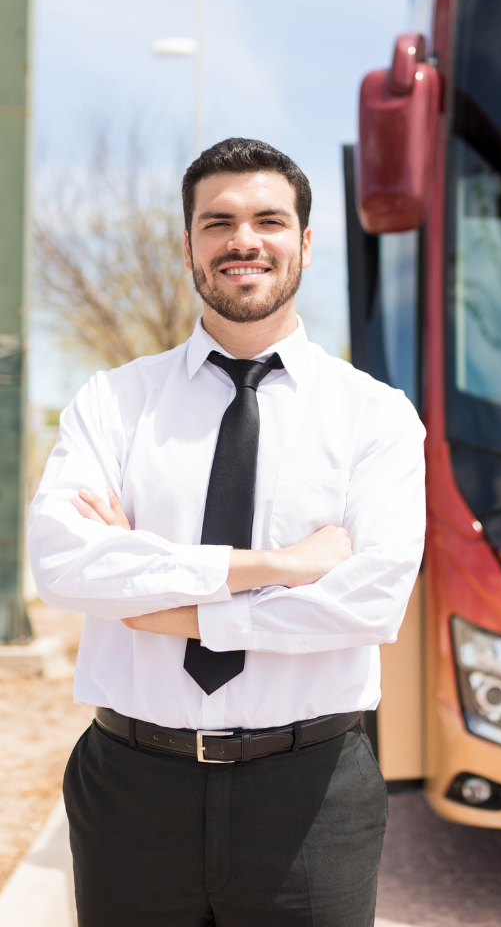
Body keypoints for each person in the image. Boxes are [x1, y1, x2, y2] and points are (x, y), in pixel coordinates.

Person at [28, 137, 426, 927]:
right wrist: (270, 566)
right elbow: (64, 565)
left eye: (268, 221)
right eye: (218, 223)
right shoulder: (112, 404)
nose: (244, 240)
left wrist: (164, 604)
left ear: (304, 243)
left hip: (309, 795)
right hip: (131, 789)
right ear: (189, 247)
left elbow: (370, 601)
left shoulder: (374, 416)